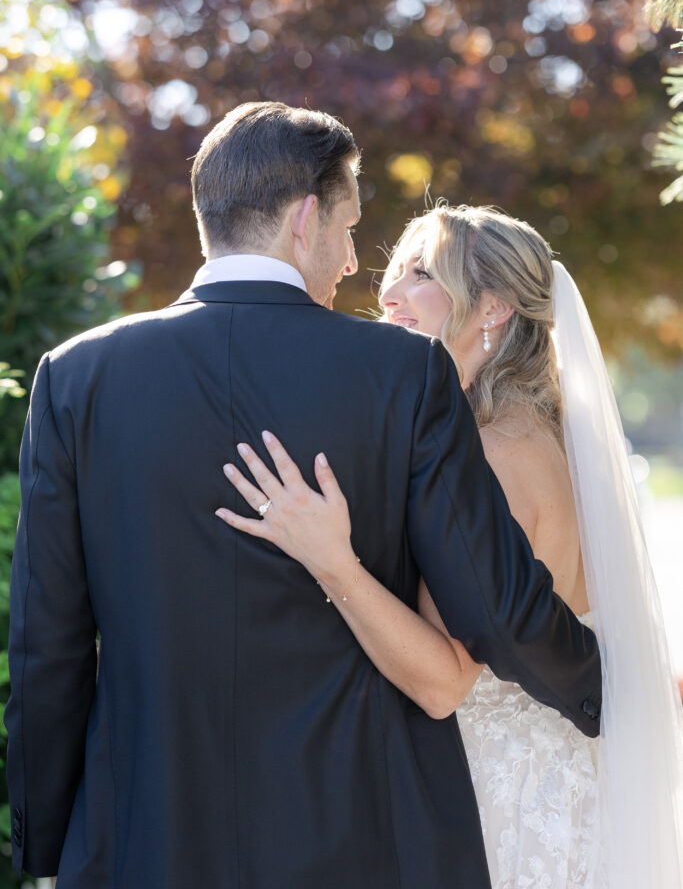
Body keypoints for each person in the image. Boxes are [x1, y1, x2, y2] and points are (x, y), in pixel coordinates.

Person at [6, 105, 601, 889]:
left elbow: (47, 642)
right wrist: (603, 692)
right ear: (305, 217)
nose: (354, 262)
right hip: (360, 831)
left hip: (145, 832)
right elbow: (498, 606)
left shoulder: (76, 376)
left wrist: (48, 844)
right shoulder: (403, 374)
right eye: (350, 227)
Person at [219, 203, 683, 888]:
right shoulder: (540, 436)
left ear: (491, 309)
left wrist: (329, 558)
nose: (387, 292)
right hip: (563, 789)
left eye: (420, 273)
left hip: (501, 809)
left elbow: (443, 682)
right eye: (393, 270)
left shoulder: (490, 455)